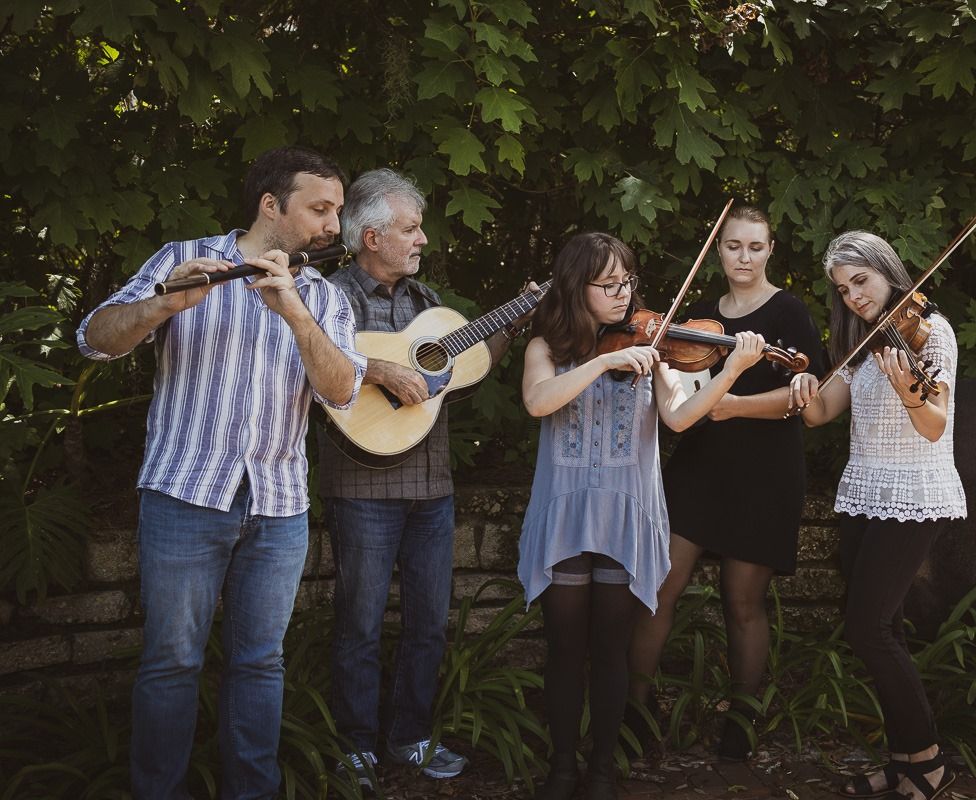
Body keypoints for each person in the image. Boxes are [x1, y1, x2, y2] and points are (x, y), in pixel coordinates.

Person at [76, 146, 366, 800]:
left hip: (280, 507)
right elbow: (95, 337)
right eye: (320, 209)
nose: (332, 225)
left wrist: (294, 310)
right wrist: (162, 306)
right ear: (272, 205)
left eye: (337, 211)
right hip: (185, 497)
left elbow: (343, 392)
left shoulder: (322, 294)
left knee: (261, 665)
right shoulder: (182, 259)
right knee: (172, 665)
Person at [518, 231, 767, 800]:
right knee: (563, 649)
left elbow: (679, 418)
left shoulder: (653, 347)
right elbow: (538, 401)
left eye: (627, 282)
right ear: (575, 287)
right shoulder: (547, 348)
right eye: (608, 284)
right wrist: (602, 359)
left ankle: (602, 771)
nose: (622, 294)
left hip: (625, 514)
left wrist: (730, 371)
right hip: (566, 515)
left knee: (611, 649)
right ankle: (561, 767)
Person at [315, 168, 531, 788]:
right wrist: (379, 369)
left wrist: (509, 324)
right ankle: (354, 745)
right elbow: (306, 362)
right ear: (371, 236)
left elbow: (450, 382)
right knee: (358, 620)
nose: (422, 239)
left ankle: (409, 738)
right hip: (361, 487)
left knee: (429, 621)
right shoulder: (333, 298)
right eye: (410, 229)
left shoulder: (428, 306)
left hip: (432, 487)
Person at [626, 205, 827, 760]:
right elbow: (681, 399)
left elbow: (804, 394)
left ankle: (742, 717)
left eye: (755, 247)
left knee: (743, 601)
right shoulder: (698, 319)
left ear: (770, 251)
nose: (744, 256)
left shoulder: (789, 312)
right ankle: (636, 711)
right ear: (719, 251)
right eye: (734, 246)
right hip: (700, 466)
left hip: (766, 472)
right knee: (659, 588)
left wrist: (734, 404)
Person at [789, 231, 964, 800]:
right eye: (842, 289)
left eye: (860, 281)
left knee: (870, 629)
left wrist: (905, 384)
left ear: (888, 270)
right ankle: (903, 758)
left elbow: (934, 424)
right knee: (876, 627)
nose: (853, 296)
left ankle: (931, 763)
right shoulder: (863, 342)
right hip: (864, 491)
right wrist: (795, 381)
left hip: (913, 494)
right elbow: (820, 413)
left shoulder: (931, 331)